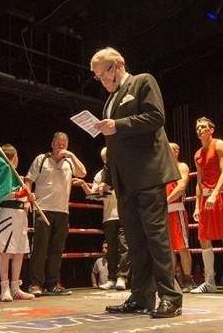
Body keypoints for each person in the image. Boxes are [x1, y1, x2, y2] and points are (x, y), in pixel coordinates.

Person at [91, 47, 183, 318]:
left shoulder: (143, 81)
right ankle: (142, 297)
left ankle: (171, 297)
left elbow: (156, 117)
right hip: (125, 181)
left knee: (156, 238)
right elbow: (113, 146)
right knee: (135, 242)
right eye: (97, 77)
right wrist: (107, 179)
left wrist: (118, 125)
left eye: (103, 74)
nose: (102, 80)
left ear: (118, 64)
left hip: (149, 174)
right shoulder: (109, 101)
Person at [24, 132, 87, 296]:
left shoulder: (70, 162)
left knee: (57, 249)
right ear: (52, 143)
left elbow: (83, 173)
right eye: (58, 142)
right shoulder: (41, 159)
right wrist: (28, 198)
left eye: (64, 143)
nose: (61, 145)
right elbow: (28, 180)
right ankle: (36, 284)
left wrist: (71, 155)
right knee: (40, 248)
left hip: (62, 211)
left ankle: (52, 284)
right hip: (43, 209)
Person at [189, 117, 223, 295]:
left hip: (221, 195)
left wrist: (215, 194)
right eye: (197, 128)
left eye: (203, 127)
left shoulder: (219, 145)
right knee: (203, 238)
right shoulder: (197, 154)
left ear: (211, 129)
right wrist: (197, 205)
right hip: (205, 198)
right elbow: (199, 181)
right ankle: (209, 281)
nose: (199, 130)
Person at [74, 147, 129, 291]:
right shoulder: (100, 175)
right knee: (111, 248)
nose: (107, 160)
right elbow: (93, 195)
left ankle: (122, 277)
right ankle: (111, 278)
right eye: (104, 158)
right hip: (109, 216)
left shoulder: (123, 169)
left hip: (124, 214)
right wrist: (83, 184)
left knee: (124, 246)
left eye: (108, 157)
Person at [0, 144, 36, 302]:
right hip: (8, 213)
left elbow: (21, 196)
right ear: (13, 157)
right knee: (6, 251)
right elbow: (1, 194)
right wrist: (20, 194)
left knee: (19, 251)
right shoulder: (4, 171)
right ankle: (4, 287)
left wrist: (28, 197)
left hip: (20, 214)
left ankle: (15, 287)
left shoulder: (16, 175)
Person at [166, 143, 194, 292]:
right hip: (163, 212)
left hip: (176, 210)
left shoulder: (181, 167)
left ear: (176, 152)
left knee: (183, 247)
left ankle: (188, 279)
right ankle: (172, 281)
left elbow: (181, 187)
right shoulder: (162, 169)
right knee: (168, 248)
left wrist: (166, 201)